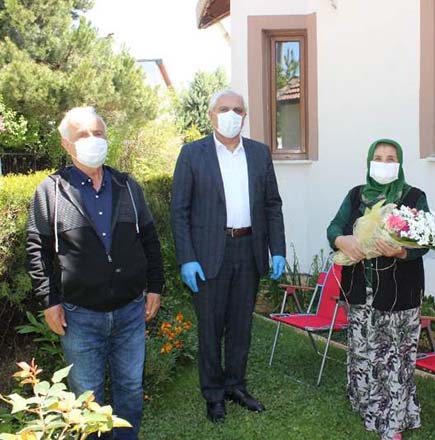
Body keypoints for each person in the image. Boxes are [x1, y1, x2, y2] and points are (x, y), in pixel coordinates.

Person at [26, 106, 164, 440]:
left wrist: (155, 287)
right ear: (66, 143)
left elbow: (149, 239)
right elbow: (37, 250)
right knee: (86, 398)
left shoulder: (127, 186)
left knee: (130, 388)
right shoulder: (51, 191)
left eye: (98, 133)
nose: (92, 140)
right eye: (83, 134)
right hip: (80, 316)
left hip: (130, 310)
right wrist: (49, 302)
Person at [171, 89, 286, 423]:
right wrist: (187, 257)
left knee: (241, 326)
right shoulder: (192, 154)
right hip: (209, 253)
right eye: (224, 109)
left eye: (237, 109)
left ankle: (236, 385)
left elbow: (272, 205)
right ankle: (213, 394)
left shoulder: (259, 153)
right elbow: (179, 210)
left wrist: (277, 249)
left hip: (249, 249)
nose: (231, 115)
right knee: (210, 327)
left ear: (245, 116)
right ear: (211, 115)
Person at [327, 139, 428, 440]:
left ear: (400, 163)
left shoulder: (413, 197)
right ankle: (368, 409)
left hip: (399, 295)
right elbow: (334, 228)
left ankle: (393, 422)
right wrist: (342, 241)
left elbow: (425, 241)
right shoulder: (356, 195)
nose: (384, 163)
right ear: (370, 162)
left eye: (391, 158)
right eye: (379, 158)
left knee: (395, 357)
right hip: (360, 292)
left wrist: (401, 251)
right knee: (363, 353)